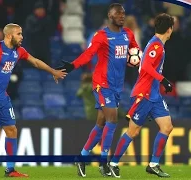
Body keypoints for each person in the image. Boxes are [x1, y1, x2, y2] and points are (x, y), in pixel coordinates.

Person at [0, 23, 67, 177]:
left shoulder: (19, 51)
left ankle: (10, 169)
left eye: (21, 34)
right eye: (19, 34)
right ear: (9, 35)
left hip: (3, 96)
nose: (21, 37)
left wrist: (53, 71)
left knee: (11, 130)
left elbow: (35, 61)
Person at [56, 3, 139, 177]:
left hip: (117, 86)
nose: (122, 16)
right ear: (110, 15)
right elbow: (89, 54)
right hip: (102, 83)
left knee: (101, 124)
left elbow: (135, 50)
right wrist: (73, 65)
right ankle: (104, 163)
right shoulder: (101, 36)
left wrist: (137, 57)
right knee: (113, 120)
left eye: (124, 13)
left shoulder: (128, 34)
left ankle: (82, 157)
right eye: (118, 14)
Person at [108, 13, 174, 178]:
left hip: (154, 95)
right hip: (143, 94)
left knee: (167, 127)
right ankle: (113, 163)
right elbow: (145, 66)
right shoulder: (155, 45)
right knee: (133, 131)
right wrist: (163, 79)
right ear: (169, 29)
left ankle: (153, 164)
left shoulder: (158, 45)